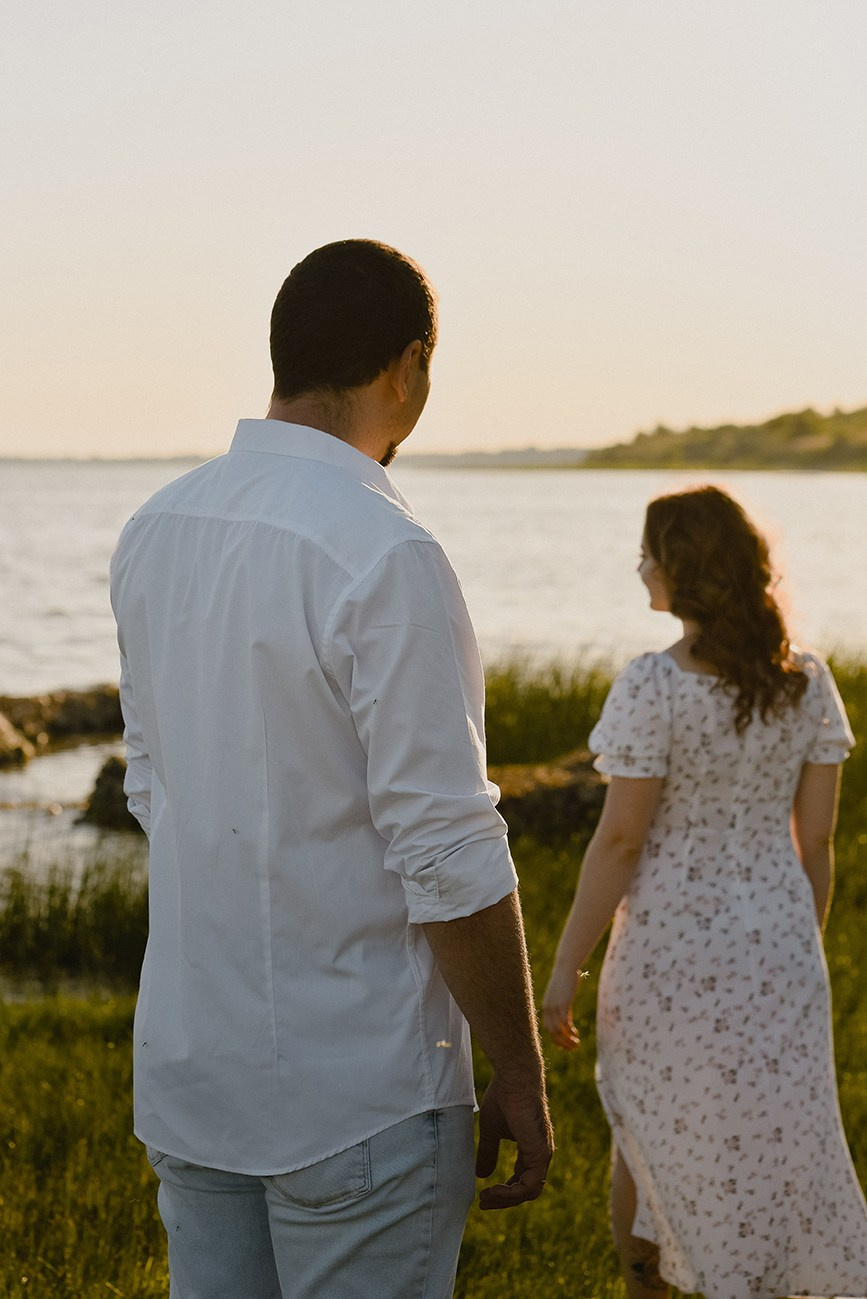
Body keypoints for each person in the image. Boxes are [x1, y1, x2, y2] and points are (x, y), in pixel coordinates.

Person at [110, 238, 552, 1299]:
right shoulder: (386, 552)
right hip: (359, 1094)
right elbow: (446, 852)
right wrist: (521, 1069)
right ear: (407, 367)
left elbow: (148, 789)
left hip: (192, 1072)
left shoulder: (153, 530)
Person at [543, 485, 867, 1299]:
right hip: (781, 947)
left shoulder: (653, 686)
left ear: (683, 568)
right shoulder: (808, 681)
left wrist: (563, 969)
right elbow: (817, 841)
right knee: (773, 1141)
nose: (640, 566)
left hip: (668, 950)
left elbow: (618, 843)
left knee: (648, 1133)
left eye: (649, 551)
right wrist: (800, 942)